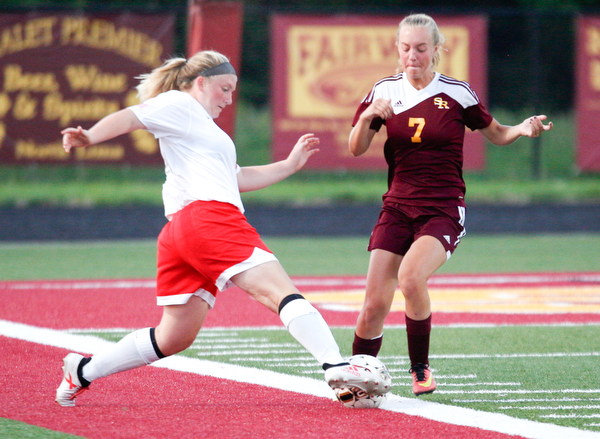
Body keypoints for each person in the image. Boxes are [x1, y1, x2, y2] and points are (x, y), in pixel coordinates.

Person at [55, 50, 387, 407]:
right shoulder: (179, 105)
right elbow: (131, 117)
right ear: (200, 83)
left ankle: (83, 372)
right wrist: (90, 136)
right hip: (209, 220)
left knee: (173, 337)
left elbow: (237, 177)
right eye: (224, 89)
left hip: (182, 232)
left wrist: (289, 165)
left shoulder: (202, 128)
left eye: (233, 91)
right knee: (279, 292)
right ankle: (335, 364)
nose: (229, 100)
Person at [348, 14, 553, 396]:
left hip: (442, 207)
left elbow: (497, 133)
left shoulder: (457, 92)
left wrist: (522, 128)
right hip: (396, 206)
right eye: (406, 48)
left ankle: (420, 369)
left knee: (411, 278)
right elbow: (356, 147)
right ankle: (354, 378)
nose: (413, 56)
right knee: (374, 304)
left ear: (437, 49)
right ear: (397, 48)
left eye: (422, 48)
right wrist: (370, 116)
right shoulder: (383, 90)